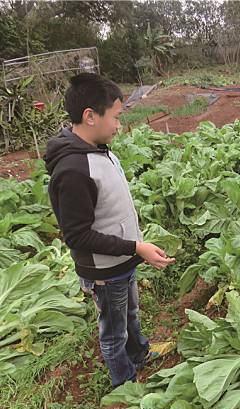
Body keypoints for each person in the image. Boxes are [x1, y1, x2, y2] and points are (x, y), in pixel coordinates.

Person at [44, 73, 176, 388]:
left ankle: (140, 354)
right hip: (105, 270)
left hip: (122, 261)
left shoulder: (99, 149)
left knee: (129, 315)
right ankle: (125, 384)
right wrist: (136, 247)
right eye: (115, 117)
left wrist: (135, 247)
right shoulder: (74, 170)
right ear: (90, 116)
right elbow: (77, 236)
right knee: (113, 331)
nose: (119, 124)